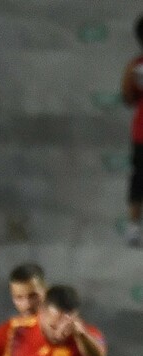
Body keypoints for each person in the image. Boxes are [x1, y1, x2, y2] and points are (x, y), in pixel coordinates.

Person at [122, 14, 143, 247]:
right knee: (139, 180)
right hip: (142, 134)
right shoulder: (136, 66)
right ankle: (133, 227)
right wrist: (132, 79)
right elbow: (128, 97)